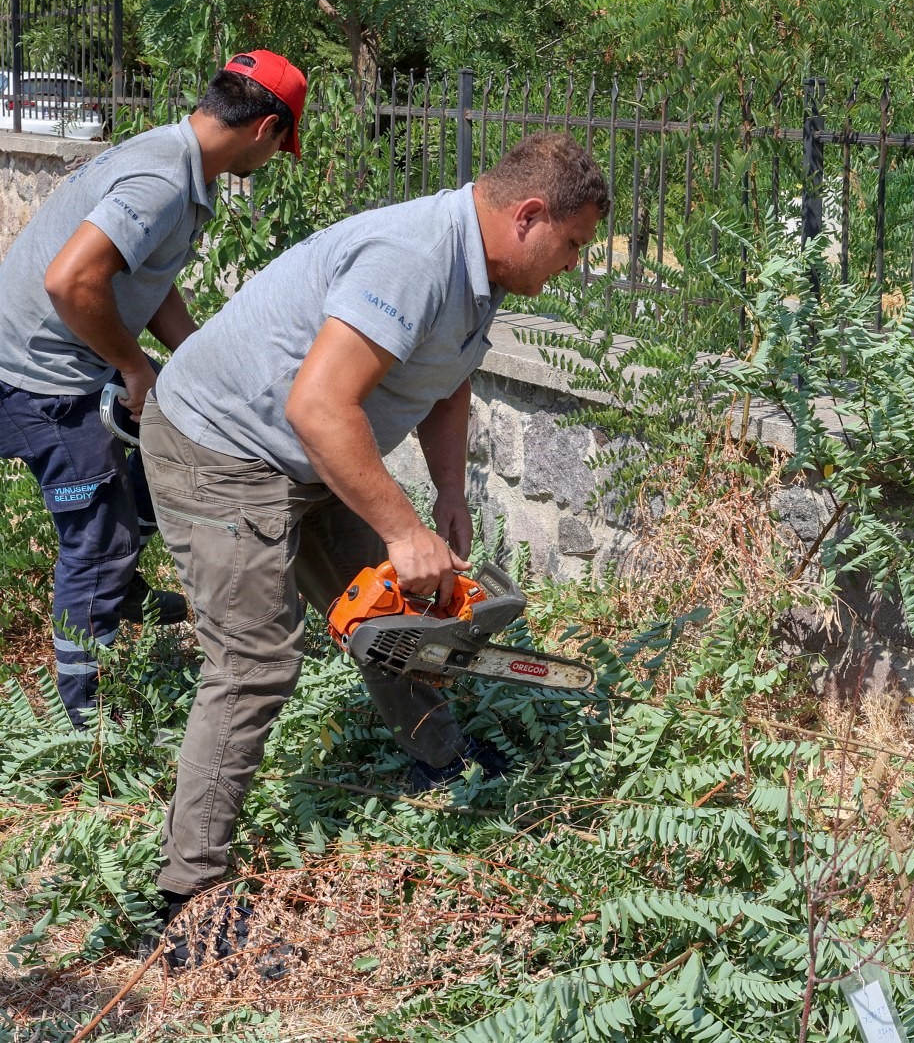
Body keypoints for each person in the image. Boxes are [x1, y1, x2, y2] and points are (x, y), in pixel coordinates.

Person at [138, 130, 609, 951]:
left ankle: (442, 755)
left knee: (394, 614)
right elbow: (319, 408)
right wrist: (401, 525)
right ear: (529, 216)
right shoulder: (415, 257)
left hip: (310, 454)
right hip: (218, 448)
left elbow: (446, 376)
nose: (572, 264)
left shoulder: (480, 272)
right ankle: (189, 899)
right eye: (571, 246)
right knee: (255, 662)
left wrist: (451, 493)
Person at [0, 50, 307, 728]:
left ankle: (123, 592)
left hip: (68, 355)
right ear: (264, 130)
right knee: (97, 544)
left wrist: (191, 358)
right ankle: (84, 723)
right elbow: (71, 282)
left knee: (165, 437)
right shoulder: (163, 180)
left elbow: (144, 274)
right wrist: (137, 369)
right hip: (43, 378)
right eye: (283, 144)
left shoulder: (177, 157)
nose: (276, 158)